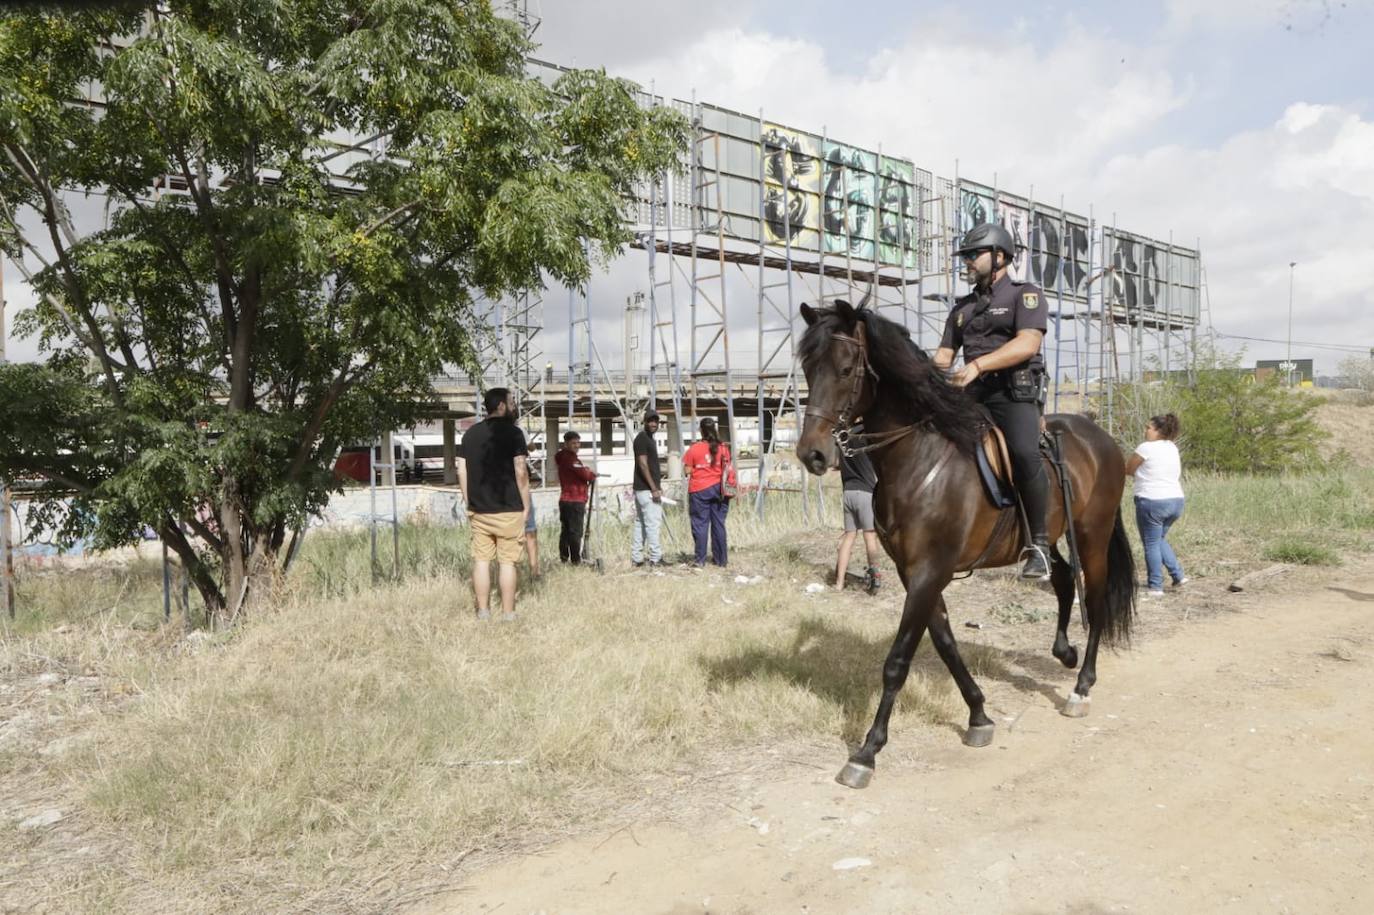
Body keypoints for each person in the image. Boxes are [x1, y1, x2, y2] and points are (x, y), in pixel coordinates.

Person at [934, 221, 1052, 580]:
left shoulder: (1024, 294)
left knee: (1023, 452)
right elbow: (942, 357)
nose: (967, 261)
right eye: (965, 256)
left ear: (999, 256)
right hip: (972, 396)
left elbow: (1028, 343)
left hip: (1012, 393)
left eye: (973, 254)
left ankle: (1040, 546)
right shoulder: (961, 309)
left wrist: (979, 364)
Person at [457, 387, 530, 621]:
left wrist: (468, 499)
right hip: (509, 509)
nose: (514, 406)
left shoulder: (470, 435)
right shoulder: (514, 433)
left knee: (481, 561)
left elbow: (461, 468)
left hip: (479, 510)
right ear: (501, 406)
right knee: (507, 562)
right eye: (512, 402)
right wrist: (526, 504)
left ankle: (483, 612)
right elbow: (520, 470)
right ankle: (508, 614)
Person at [1126, 413, 1188, 597]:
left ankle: (1155, 586)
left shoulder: (1146, 448)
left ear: (1159, 431)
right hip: (1176, 500)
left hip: (1152, 501)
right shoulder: (1172, 447)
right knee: (1158, 539)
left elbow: (1128, 469)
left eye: (1148, 428)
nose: (1145, 431)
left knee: (1151, 543)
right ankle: (1178, 576)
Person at [835, 420, 882, 593]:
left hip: (848, 492)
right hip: (865, 493)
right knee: (870, 536)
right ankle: (875, 576)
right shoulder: (865, 436)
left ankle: (839, 583)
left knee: (849, 537)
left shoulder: (843, 438)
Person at [682, 417, 732, 567]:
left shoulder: (694, 449)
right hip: (719, 490)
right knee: (719, 525)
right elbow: (727, 468)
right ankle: (721, 560)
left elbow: (687, 470)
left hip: (699, 490)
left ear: (701, 431)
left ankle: (700, 560)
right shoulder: (723, 448)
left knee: (700, 525)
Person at [554, 431, 596, 565]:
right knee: (575, 532)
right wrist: (591, 473)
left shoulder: (562, 458)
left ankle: (564, 558)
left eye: (578, 443)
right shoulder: (571, 459)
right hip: (575, 500)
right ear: (566, 444)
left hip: (565, 499)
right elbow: (585, 475)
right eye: (573, 443)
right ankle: (576, 560)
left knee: (566, 531)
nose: (577, 446)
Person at [632, 409, 665, 567]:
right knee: (653, 523)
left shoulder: (649, 439)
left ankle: (637, 558)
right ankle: (655, 558)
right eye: (650, 421)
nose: (653, 424)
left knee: (641, 523)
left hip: (643, 489)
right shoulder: (642, 439)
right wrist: (654, 489)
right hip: (646, 489)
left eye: (655, 421)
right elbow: (643, 465)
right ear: (644, 422)